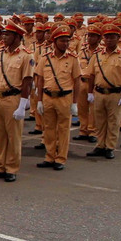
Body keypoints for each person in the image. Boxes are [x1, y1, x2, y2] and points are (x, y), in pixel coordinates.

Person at [0, 21, 34, 183]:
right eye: (4, 34)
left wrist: (22, 105)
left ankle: (11, 168)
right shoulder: (0, 53)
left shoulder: (26, 55)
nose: (4, 37)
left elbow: (27, 81)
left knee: (13, 136)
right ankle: (0, 166)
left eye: (8, 34)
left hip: (13, 98)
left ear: (18, 37)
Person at [35, 24, 80, 169]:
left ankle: (60, 158)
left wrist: (75, 102)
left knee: (63, 130)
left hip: (64, 98)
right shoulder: (45, 58)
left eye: (67, 40)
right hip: (48, 97)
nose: (65, 43)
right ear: (54, 42)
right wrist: (39, 100)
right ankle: (49, 156)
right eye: (62, 41)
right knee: (48, 129)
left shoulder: (73, 58)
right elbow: (40, 79)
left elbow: (77, 80)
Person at [84, 22, 121, 159]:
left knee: (113, 122)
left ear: (118, 38)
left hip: (115, 93)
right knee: (99, 121)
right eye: (107, 37)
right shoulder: (97, 55)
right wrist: (89, 92)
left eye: (112, 37)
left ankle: (110, 147)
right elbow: (91, 74)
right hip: (99, 92)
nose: (109, 40)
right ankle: (100, 145)